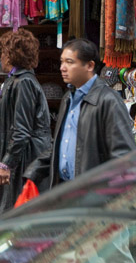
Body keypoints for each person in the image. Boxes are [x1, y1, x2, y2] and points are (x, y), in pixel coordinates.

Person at [25, 38, 136, 190]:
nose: (62, 68)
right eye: (62, 62)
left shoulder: (108, 101)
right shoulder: (68, 98)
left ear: (90, 65)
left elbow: (123, 157)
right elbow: (62, 143)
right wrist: (34, 171)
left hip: (92, 197)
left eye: (70, 62)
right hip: (65, 191)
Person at [0, 29, 52, 216]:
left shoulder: (23, 83)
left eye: (4, 53)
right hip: (22, 159)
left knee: (18, 215)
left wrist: (6, 164)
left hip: (26, 160)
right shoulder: (17, 81)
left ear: (12, 55)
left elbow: (21, 130)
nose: (1, 58)